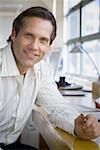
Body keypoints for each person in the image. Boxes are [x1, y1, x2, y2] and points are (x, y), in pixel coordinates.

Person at [0, 6, 100, 149]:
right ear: (14, 34)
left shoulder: (41, 68)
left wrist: (78, 125)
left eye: (43, 40)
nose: (35, 46)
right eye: (28, 35)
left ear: (49, 45)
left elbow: (56, 107)